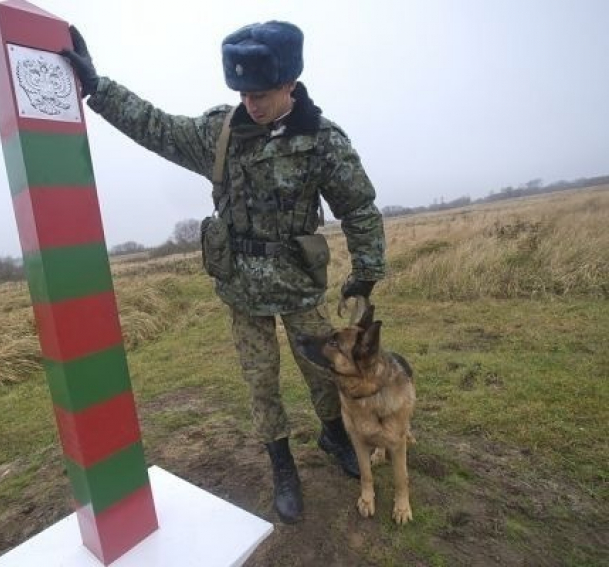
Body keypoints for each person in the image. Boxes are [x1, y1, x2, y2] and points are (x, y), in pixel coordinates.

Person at [62, 21, 386, 524]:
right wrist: (98, 88)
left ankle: (334, 435)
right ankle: (282, 465)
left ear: (290, 86)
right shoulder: (221, 133)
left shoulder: (322, 141)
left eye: (261, 93)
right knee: (261, 380)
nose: (250, 104)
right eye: (242, 93)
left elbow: (359, 207)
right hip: (240, 285)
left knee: (324, 370)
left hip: (300, 284)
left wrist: (366, 269)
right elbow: (157, 126)